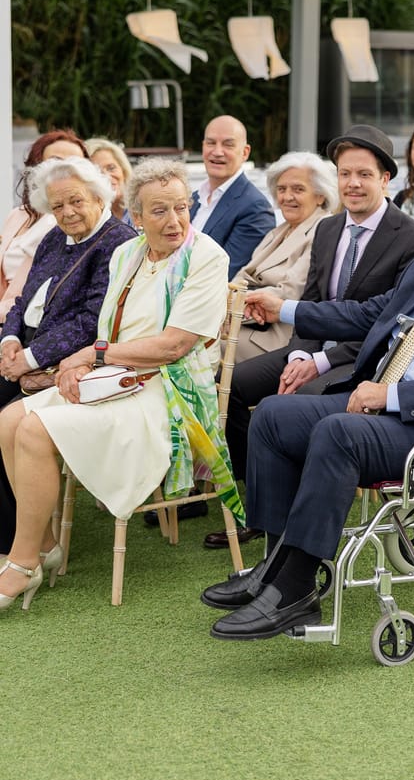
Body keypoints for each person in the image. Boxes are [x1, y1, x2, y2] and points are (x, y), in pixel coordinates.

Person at [199, 189, 414, 640]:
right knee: (272, 415)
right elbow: (368, 315)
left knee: (339, 432)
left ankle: (295, 587)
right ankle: (274, 563)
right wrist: (282, 308)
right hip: (386, 412)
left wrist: (391, 395)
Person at [0, 157, 242, 612]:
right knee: (10, 418)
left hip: (168, 395)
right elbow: (107, 329)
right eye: (159, 211)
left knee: (33, 428)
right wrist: (78, 366)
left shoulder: (207, 256)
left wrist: (91, 356)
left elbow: (174, 346)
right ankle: (45, 544)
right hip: (115, 379)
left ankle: (21, 562)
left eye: (182, 208)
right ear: (135, 218)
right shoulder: (125, 253)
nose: (174, 221)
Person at [205, 124, 414, 548]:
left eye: (364, 174)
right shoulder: (327, 229)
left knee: (288, 407)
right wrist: (296, 358)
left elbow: (386, 324)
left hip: (364, 360)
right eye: (345, 174)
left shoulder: (411, 238)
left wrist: (318, 363)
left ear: (385, 178)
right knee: (227, 385)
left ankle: (296, 522)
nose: (353, 184)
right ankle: (264, 502)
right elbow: (311, 301)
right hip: (308, 349)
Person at [0, 156, 135, 553]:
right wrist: (8, 341)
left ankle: (18, 543)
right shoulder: (53, 239)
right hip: (23, 350)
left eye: (76, 201)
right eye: (57, 206)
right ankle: (33, 538)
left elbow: (93, 320)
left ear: (99, 196)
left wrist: (30, 357)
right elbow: (24, 298)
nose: (67, 212)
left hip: (66, 362)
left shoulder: (117, 241)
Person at [234, 151, 339, 362]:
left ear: (320, 195)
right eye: (281, 189)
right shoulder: (280, 230)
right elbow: (243, 277)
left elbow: (290, 292)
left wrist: (233, 307)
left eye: (298, 189)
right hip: (244, 320)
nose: (287, 197)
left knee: (193, 347)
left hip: (274, 334)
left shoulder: (324, 230)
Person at [0, 128, 89, 323]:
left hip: (27, 322)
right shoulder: (18, 214)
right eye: (55, 162)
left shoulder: (70, 223)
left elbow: (28, 291)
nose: (65, 170)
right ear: (35, 166)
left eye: (75, 163)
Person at [190, 115, 275, 277]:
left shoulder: (255, 208)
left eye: (228, 145)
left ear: (245, 152)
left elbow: (225, 272)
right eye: (211, 143)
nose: (217, 152)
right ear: (203, 147)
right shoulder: (193, 198)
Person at [86, 136, 134, 226]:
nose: (107, 176)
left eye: (111, 168)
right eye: (97, 172)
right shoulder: (84, 221)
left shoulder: (142, 206)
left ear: (123, 170)